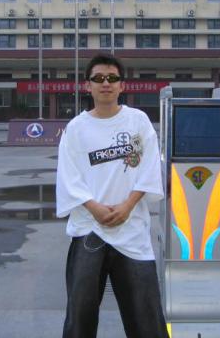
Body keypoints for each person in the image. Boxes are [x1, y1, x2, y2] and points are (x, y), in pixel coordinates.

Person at [56, 54, 169, 338]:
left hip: (131, 231)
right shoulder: (76, 128)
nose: (105, 83)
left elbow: (149, 168)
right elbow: (69, 176)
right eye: (98, 78)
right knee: (80, 317)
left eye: (112, 78)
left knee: (146, 317)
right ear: (88, 86)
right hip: (89, 229)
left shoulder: (138, 121)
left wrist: (128, 206)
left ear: (122, 85)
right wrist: (94, 208)